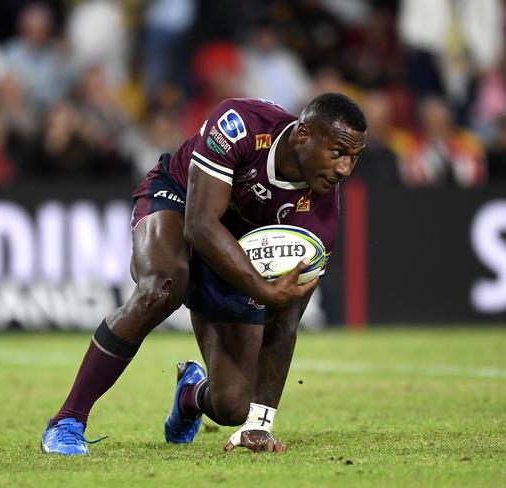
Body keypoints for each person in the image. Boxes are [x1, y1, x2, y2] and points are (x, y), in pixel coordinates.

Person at [41, 93, 367, 455]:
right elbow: (199, 225)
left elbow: (285, 320)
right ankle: (67, 420)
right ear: (303, 135)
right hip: (181, 199)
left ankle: (189, 397)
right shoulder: (240, 124)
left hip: (239, 244)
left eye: (354, 158)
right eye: (337, 152)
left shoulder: (320, 219)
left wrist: (259, 424)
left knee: (231, 405)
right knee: (161, 289)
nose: (344, 170)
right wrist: (261, 287)